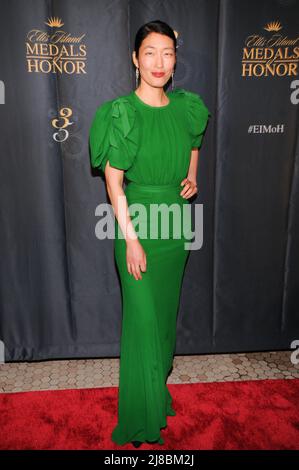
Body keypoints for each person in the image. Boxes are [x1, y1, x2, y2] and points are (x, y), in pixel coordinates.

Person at [89, 19, 211, 448]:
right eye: (150, 53)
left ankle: (156, 392)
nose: (160, 62)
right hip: (137, 224)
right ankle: (140, 419)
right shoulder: (121, 113)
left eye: (168, 53)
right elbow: (113, 182)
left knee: (162, 324)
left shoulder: (187, 107)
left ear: (175, 59)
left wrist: (192, 176)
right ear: (134, 59)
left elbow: (194, 142)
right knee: (141, 323)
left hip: (176, 226)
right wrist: (133, 239)